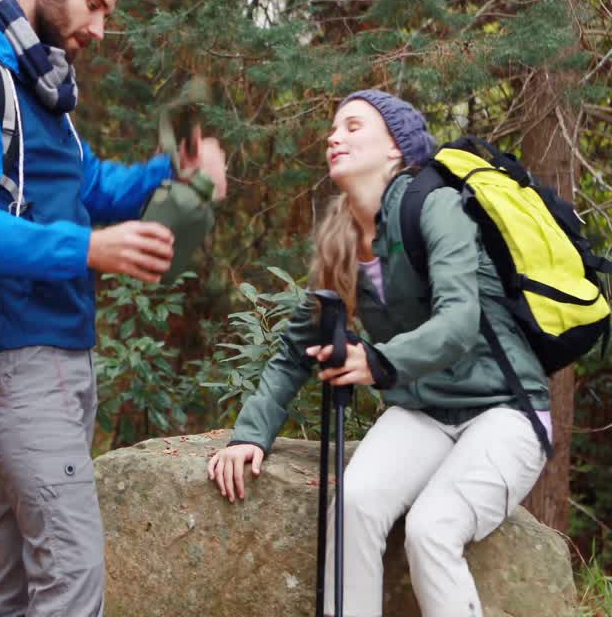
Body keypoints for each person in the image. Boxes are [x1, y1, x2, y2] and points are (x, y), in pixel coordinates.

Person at [0, 0, 226, 617]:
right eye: (95, 5)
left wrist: (175, 171)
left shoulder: (42, 85)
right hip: (12, 350)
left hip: (60, 350)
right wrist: (90, 249)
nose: (101, 29)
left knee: (21, 578)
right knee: (74, 572)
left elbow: (87, 187)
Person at [205, 90, 548, 617]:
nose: (334, 137)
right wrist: (250, 435)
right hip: (425, 410)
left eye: (353, 126)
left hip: (507, 410)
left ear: (395, 150)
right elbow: (298, 350)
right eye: (332, 130)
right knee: (356, 506)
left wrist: (377, 361)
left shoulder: (435, 206)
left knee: (432, 529)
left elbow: (459, 324)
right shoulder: (341, 239)